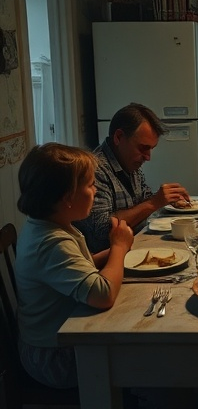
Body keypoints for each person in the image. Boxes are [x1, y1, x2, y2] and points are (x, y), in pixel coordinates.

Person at [15, 142, 134, 389]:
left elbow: (83, 264)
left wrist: (114, 251)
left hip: (58, 340)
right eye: (91, 185)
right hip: (54, 356)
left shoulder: (51, 224)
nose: (95, 191)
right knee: (147, 353)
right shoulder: (51, 243)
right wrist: (119, 249)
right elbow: (102, 295)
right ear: (68, 197)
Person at [74, 103, 190, 253]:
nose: (148, 157)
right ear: (119, 137)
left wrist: (167, 199)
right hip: (108, 262)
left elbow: (144, 200)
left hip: (134, 248)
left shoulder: (128, 162)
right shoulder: (94, 170)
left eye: (151, 149)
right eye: (143, 148)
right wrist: (154, 202)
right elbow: (101, 233)